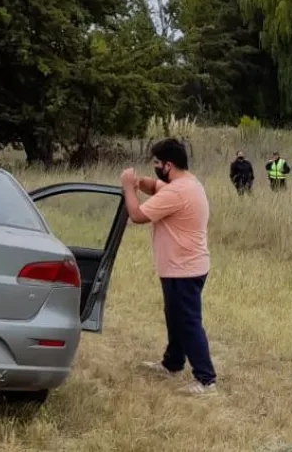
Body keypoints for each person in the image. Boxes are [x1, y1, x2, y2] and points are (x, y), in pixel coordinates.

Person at [120, 137, 218, 397]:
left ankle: (206, 379)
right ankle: (172, 363)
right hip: (183, 267)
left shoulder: (178, 192)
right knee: (175, 318)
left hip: (184, 269)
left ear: (168, 165)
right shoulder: (186, 183)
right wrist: (141, 183)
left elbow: (138, 215)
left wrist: (129, 188)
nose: (155, 168)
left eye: (157, 163)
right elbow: (157, 187)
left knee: (188, 322)